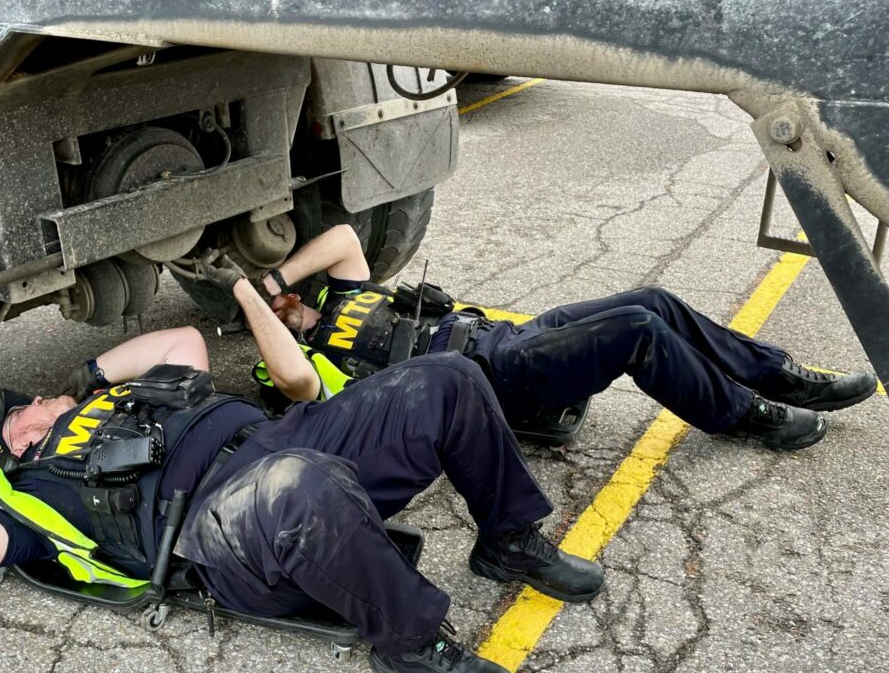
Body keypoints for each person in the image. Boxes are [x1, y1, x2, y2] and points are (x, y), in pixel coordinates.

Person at [0, 325, 603, 673]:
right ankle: (411, 645)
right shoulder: (20, 489)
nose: (40, 398)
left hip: (285, 437)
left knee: (447, 376)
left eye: (45, 394)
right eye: (27, 406)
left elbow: (184, 338)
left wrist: (90, 377)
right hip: (219, 529)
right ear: (13, 436)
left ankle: (507, 540)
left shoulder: (123, 397)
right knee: (300, 488)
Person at [219, 224, 878, 450]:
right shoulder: (311, 358)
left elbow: (341, 240)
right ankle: (742, 414)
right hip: (492, 382)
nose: (285, 303)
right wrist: (251, 300)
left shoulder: (346, 293)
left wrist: (274, 274)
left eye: (283, 299)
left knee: (652, 298)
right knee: (638, 332)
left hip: (509, 338)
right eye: (272, 308)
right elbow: (298, 385)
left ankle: (775, 373)